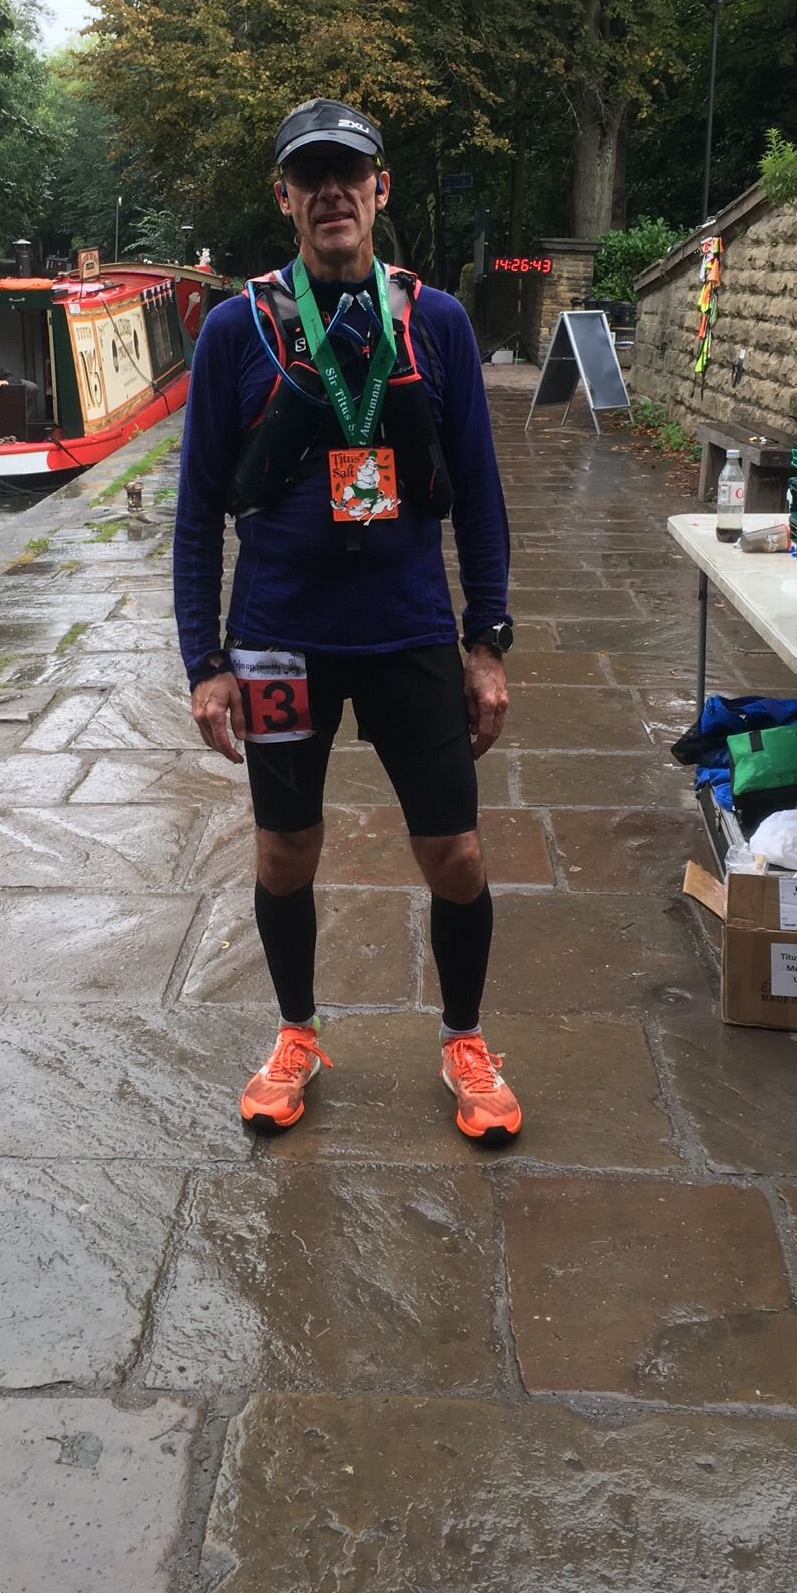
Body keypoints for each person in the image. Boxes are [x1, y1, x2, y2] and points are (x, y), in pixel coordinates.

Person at [173, 97, 520, 1141]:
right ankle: (296, 1030)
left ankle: (465, 1037)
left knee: (454, 853)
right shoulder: (238, 329)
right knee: (285, 853)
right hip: (279, 640)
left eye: (349, 172)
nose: (331, 191)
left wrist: (486, 639)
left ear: (379, 189)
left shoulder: (438, 323)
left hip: (412, 632)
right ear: (284, 198)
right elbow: (195, 511)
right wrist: (206, 659)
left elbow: (483, 495)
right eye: (308, 175)